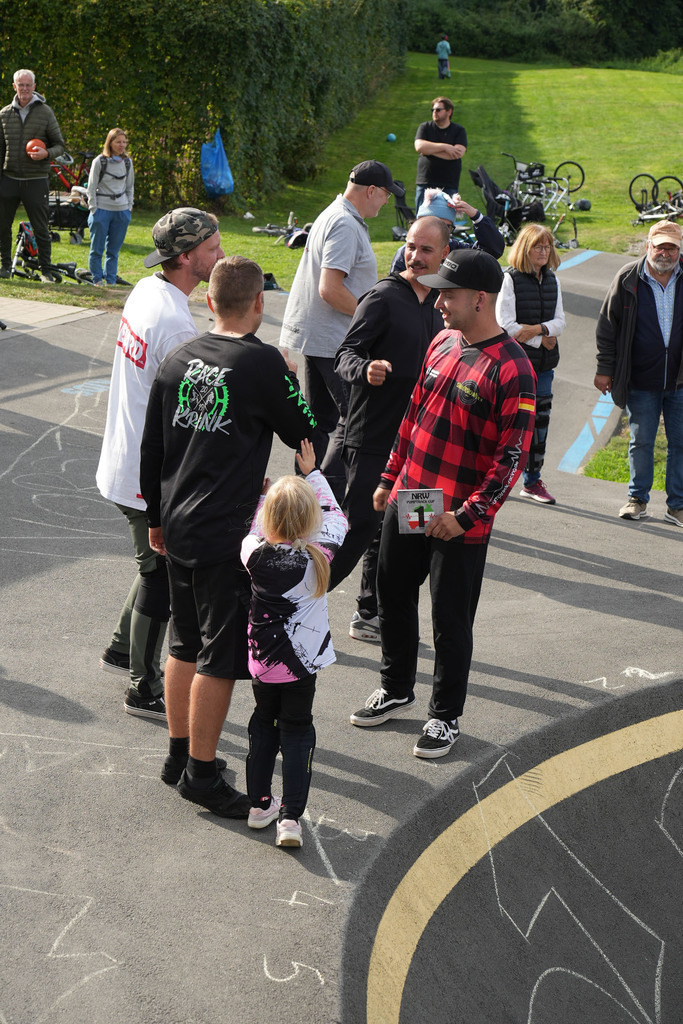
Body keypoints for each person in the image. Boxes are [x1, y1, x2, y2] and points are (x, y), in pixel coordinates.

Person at [140, 256, 318, 818]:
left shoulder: (179, 357)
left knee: (183, 642)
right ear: (259, 305)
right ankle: (201, 773)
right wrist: (287, 376)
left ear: (209, 301)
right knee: (219, 655)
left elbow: (154, 448)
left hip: (178, 521)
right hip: (226, 532)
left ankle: (177, 755)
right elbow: (307, 432)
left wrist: (156, 519)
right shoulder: (263, 364)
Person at [350, 250, 536, 758]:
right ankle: (396, 687)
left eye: (448, 293)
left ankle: (444, 716)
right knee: (391, 593)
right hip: (415, 496)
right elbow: (412, 416)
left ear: (480, 299)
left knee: (450, 620)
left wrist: (468, 516)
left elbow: (512, 458)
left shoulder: (514, 369)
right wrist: (390, 478)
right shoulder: (441, 340)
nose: (438, 299)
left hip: (459, 516)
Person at [96, 207, 224, 722]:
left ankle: (121, 646)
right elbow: (185, 421)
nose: (219, 256)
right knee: (161, 573)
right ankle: (141, 685)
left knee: (151, 566)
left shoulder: (148, 291)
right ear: (188, 257)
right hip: (144, 474)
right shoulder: (174, 325)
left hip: (123, 457)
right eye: (213, 249)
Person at [329, 215, 451, 642]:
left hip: (422, 450)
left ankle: (373, 612)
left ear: (445, 255)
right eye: (411, 246)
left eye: (426, 250)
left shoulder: (443, 306)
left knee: (408, 537)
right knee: (359, 527)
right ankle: (297, 603)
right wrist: (366, 368)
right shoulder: (381, 297)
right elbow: (345, 354)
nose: (415, 256)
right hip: (373, 440)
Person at [240, 439, 348, 848]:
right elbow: (338, 516)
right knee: (298, 729)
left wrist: (264, 496)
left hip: (264, 664)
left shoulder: (253, 552)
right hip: (303, 665)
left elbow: (255, 529)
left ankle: (259, 804)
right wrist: (314, 474)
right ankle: (290, 820)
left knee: (262, 723)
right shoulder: (320, 555)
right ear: (312, 521)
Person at [279, 160, 404, 500]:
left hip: (320, 337)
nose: (387, 201)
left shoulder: (335, 213)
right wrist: (372, 319)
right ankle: (326, 499)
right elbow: (330, 289)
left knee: (319, 423)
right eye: (386, 195)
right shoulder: (345, 224)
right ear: (371, 191)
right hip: (333, 340)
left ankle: (303, 498)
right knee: (356, 422)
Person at [595, 220, 683, 527]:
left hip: (680, 380)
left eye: (672, 247)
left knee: (681, 442)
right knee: (641, 441)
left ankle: (677, 506)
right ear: (648, 246)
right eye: (660, 246)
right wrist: (605, 369)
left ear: (679, 249)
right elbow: (608, 327)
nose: (665, 253)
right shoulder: (628, 278)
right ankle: (638, 499)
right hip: (641, 378)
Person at [496, 223, 566, 505]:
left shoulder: (553, 280)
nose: (544, 251)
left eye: (547, 246)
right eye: (538, 246)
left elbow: (560, 322)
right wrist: (542, 336)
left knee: (540, 424)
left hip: (545, 366)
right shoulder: (510, 279)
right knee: (509, 423)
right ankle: (496, 479)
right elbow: (505, 326)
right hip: (515, 366)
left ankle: (533, 481)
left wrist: (535, 329)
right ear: (525, 248)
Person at [0, 69, 65, 281]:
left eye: (28, 85)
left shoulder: (45, 112)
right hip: (9, 179)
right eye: (21, 85)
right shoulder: (4, 114)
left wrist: (46, 153)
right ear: (14, 87)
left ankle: (46, 270)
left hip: (36, 180)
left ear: (34, 87)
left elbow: (60, 146)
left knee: (40, 228)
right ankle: (5, 267)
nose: (25, 89)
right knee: (2, 226)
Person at [390, 187, 505, 273]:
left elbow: (491, 252)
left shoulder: (455, 250)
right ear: (419, 222)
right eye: (433, 223)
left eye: (446, 226)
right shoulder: (406, 253)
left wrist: (477, 217)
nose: (439, 230)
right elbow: (395, 288)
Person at [86, 128, 134, 286]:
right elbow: (91, 187)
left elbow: (129, 187)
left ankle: (111, 281)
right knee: (97, 250)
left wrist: (129, 208)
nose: (122, 145)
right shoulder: (100, 161)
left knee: (113, 251)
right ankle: (97, 280)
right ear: (110, 142)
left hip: (121, 212)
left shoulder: (127, 162)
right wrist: (94, 209)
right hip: (101, 210)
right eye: (118, 141)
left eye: (124, 142)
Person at [414, 97, 467, 213]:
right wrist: (445, 147)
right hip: (426, 182)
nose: (434, 112)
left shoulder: (458, 130)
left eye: (438, 110)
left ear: (449, 111)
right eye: (432, 110)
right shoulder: (425, 127)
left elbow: (457, 153)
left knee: (446, 219)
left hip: (449, 183)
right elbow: (419, 147)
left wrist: (430, 150)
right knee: (421, 217)